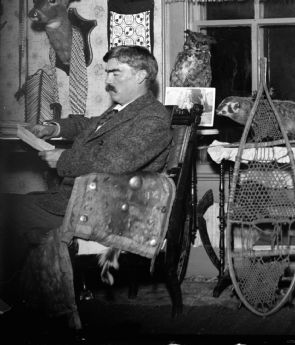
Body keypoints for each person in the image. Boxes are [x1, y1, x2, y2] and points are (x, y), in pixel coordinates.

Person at [0, 45, 173, 313]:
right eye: (107, 73)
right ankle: (24, 294)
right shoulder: (125, 110)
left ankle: (11, 298)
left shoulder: (153, 117)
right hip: (80, 198)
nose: (107, 81)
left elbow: (117, 163)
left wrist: (63, 159)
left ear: (141, 76)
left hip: (105, 209)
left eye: (116, 73)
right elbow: (88, 125)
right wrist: (53, 127)